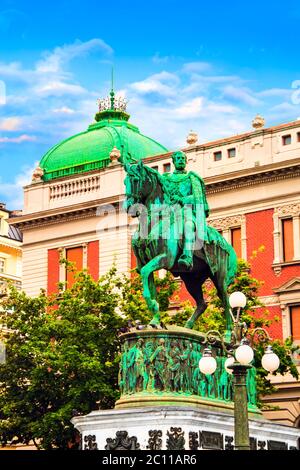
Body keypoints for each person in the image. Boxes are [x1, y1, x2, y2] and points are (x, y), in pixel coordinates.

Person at [161, 151, 210, 270]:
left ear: (186, 161)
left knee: (188, 225)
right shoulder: (166, 179)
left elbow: (197, 197)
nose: (180, 160)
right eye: (178, 158)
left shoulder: (192, 177)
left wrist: (182, 199)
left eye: (183, 158)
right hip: (170, 212)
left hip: (187, 211)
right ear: (173, 161)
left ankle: (187, 256)